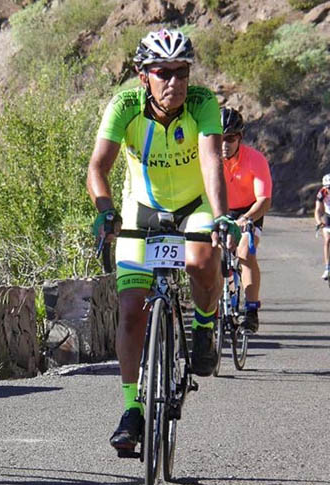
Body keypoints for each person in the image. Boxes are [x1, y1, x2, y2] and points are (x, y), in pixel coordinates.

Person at [87, 28, 240, 454]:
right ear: (143, 75)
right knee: (131, 311)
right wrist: (105, 212)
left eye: (181, 71)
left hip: (194, 205)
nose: (174, 81)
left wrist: (222, 216)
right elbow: (98, 167)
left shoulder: (202, 103)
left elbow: (211, 159)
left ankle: (205, 325)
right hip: (142, 211)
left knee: (198, 260)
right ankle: (132, 408)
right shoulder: (124, 106)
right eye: (163, 72)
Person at [220, 107, 272, 332]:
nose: (224, 144)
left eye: (230, 138)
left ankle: (251, 310)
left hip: (250, 211)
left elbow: (264, 200)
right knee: (211, 255)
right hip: (220, 210)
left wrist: (246, 219)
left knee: (244, 253)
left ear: (239, 138)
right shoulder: (208, 158)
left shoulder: (255, 159)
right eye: (219, 138)